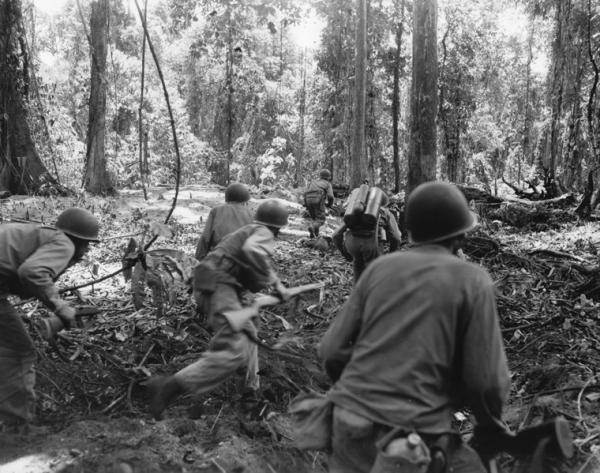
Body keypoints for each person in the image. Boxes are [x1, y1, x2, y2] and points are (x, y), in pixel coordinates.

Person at [319, 181, 510, 473]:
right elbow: (486, 383)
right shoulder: (473, 280)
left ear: (412, 231)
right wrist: (490, 427)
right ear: (460, 236)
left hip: (348, 426)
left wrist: (357, 394)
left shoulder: (379, 271)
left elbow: (330, 351)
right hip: (414, 438)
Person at [147, 199, 291, 420]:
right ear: (277, 227)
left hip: (222, 287)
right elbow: (257, 271)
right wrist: (277, 287)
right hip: (219, 287)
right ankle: (169, 387)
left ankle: (250, 396)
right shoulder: (262, 233)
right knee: (234, 350)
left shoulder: (248, 231)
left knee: (249, 335)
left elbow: (248, 272)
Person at [0, 208, 100, 433]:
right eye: (87, 244)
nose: (84, 252)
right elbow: (32, 272)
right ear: (80, 241)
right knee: (18, 352)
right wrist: (61, 307)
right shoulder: (64, 243)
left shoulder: (40, 235)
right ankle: (18, 427)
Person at [332, 189, 402, 282]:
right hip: (372, 245)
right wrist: (392, 254)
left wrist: (345, 253)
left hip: (352, 246)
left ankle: (358, 292)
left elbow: (336, 235)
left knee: (358, 270)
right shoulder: (385, 212)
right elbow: (396, 237)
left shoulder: (353, 212)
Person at [195, 182, 253, 260]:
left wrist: (198, 260)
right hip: (242, 263)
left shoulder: (216, 211)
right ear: (245, 201)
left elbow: (205, 238)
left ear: (227, 199)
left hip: (217, 260)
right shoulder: (251, 214)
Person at [303, 169, 334, 238]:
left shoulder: (313, 182)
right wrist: (329, 205)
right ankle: (312, 227)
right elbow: (330, 196)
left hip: (308, 200)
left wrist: (305, 204)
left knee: (315, 219)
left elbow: (305, 193)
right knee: (321, 220)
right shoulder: (327, 184)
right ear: (328, 177)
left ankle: (314, 235)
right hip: (318, 201)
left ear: (320, 176)